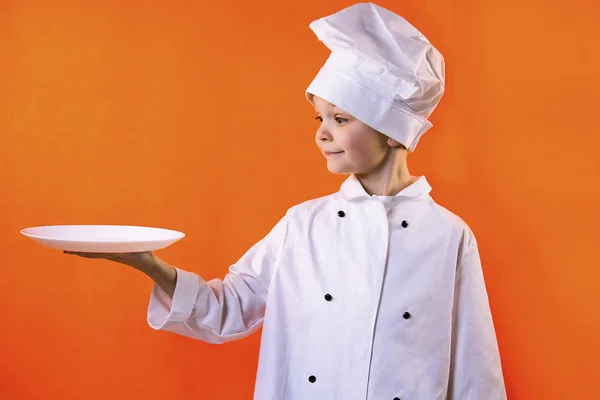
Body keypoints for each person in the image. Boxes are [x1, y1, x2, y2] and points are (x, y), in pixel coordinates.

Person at [65, 3, 507, 399]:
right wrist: (148, 264)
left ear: (392, 131)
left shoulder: (448, 235)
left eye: (341, 118)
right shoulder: (303, 226)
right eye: (321, 117)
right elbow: (229, 308)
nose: (321, 132)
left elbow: (475, 369)